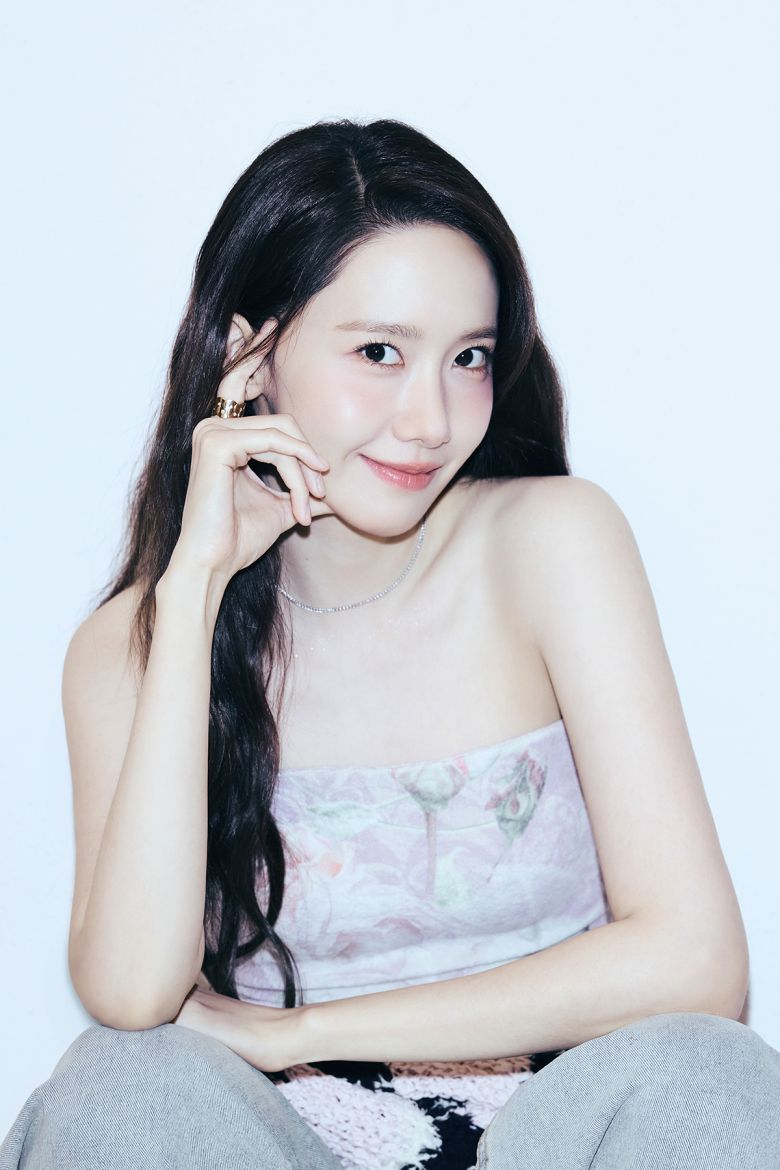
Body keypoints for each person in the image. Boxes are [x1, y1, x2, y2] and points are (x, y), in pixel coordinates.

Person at [2, 116, 779, 1170]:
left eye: (469, 358)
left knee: (706, 1075)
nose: (430, 420)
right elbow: (133, 993)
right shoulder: (128, 648)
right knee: (118, 1089)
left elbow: (698, 961)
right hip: (275, 1145)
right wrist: (191, 593)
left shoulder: (551, 542)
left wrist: (300, 1034)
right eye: (380, 353)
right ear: (249, 358)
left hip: (568, 1131)